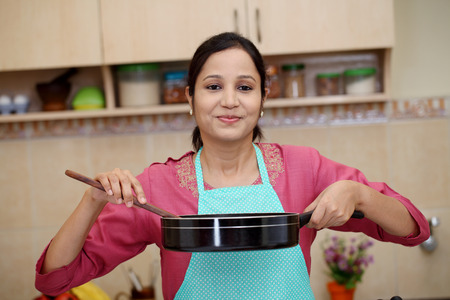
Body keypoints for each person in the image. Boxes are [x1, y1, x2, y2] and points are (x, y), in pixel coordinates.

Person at [35, 32, 430, 299]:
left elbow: (413, 227)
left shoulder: (304, 168)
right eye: (212, 87)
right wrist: (92, 201)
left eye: (244, 87)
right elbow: (55, 277)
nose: (229, 101)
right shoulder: (156, 186)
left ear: (262, 99)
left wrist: (360, 194)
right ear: (190, 99)